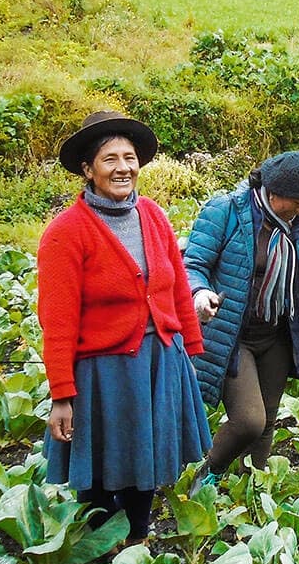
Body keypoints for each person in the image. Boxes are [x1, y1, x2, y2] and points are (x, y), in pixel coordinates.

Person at [38, 110, 210, 541]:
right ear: (88, 169)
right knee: (100, 470)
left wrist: (189, 352)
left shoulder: (152, 215)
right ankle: (99, 549)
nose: (123, 168)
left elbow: (174, 285)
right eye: (110, 158)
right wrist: (61, 394)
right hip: (104, 372)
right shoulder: (66, 232)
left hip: (158, 361)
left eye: (129, 157)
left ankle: (135, 537)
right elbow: (57, 321)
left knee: (146, 461)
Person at [184, 151, 299, 491]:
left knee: (269, 417)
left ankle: (254, 485)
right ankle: (210, 469)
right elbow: (192, 264)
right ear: (274, 192)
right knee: (249, 420)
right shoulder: (226, 211)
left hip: (278, 332)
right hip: (233, 335)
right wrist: (200, 294)